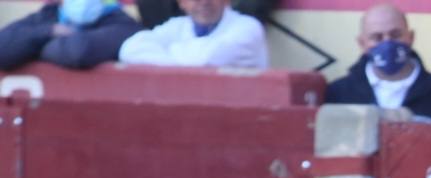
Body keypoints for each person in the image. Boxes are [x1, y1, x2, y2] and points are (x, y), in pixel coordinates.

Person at [325, 3, 431, 122]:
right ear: (362, 43)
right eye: (377, 37)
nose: (387, 43)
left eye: (395, 35)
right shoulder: (338, 94)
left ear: (411, 37)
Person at [117, 0, 266, 68]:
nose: (204, 2)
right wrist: (181, 61)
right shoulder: (176, 25)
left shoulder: (248, 27)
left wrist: (169, 51)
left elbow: (205, 60)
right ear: (181, 3)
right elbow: (129, 49)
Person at [0, 0, 140, 71]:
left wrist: (32, 48)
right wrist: (50, 31)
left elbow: (78, 51)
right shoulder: (49, 16)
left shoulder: (124, 25)